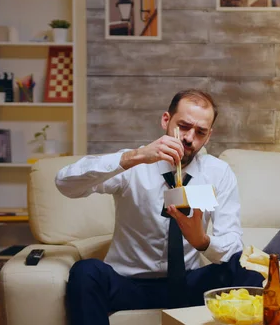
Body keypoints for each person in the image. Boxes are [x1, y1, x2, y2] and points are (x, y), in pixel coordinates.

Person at [55, 89, 264, 325]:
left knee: (248, 268)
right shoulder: (134, 164)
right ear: (166, 120)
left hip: (188, 283)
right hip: (130, 283)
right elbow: (65, 184)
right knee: (86, 272)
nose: (189, 138)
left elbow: (233, 242)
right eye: (183, 126)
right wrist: (133, 157)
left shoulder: (217, 173)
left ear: (208, 136)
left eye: (200, 132)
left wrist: (202, 241)